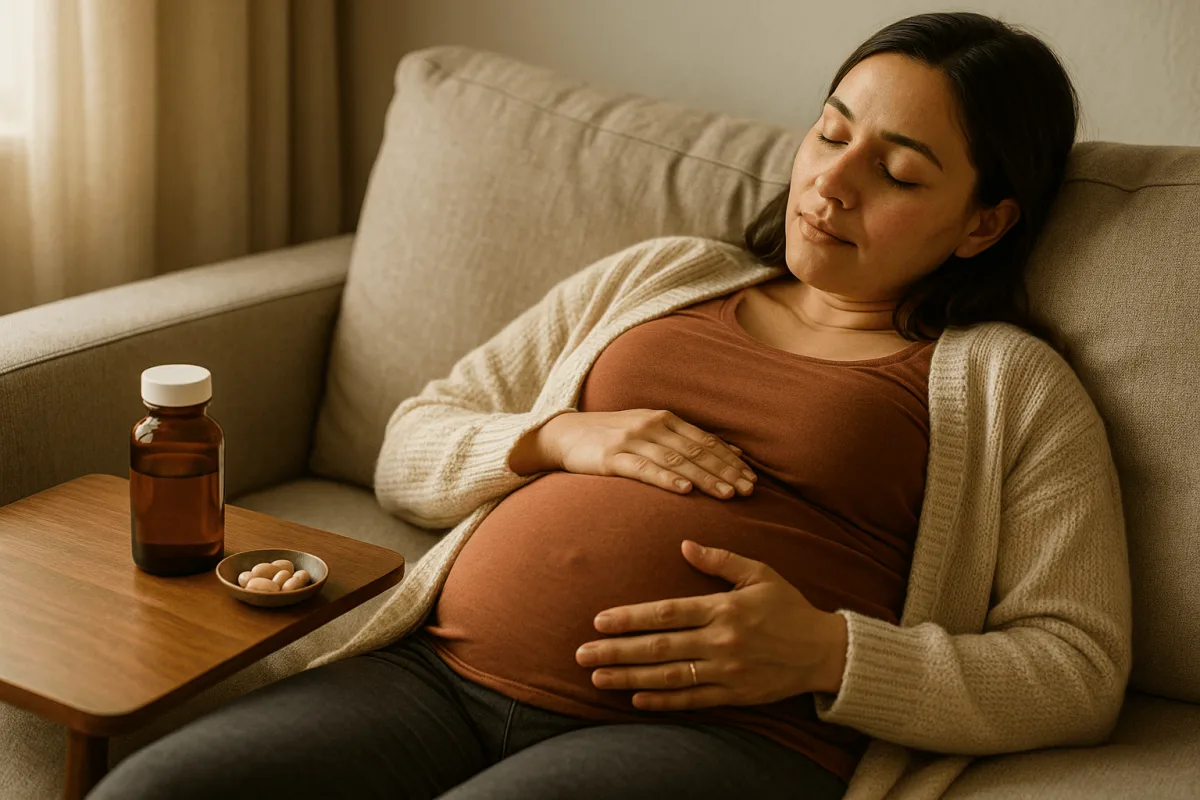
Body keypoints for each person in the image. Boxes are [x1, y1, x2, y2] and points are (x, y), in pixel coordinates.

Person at [90, 11, 1131, 800]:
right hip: (436, 671)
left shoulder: (1009, 383)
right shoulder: (668, 274)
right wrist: (554, 434)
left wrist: (832, 652)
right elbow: (411, 444)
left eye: (898, 170)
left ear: (984, 224)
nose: (834, 181)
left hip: (724, 737)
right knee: (147, 789)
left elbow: (1078, 665)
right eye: (830, 133)